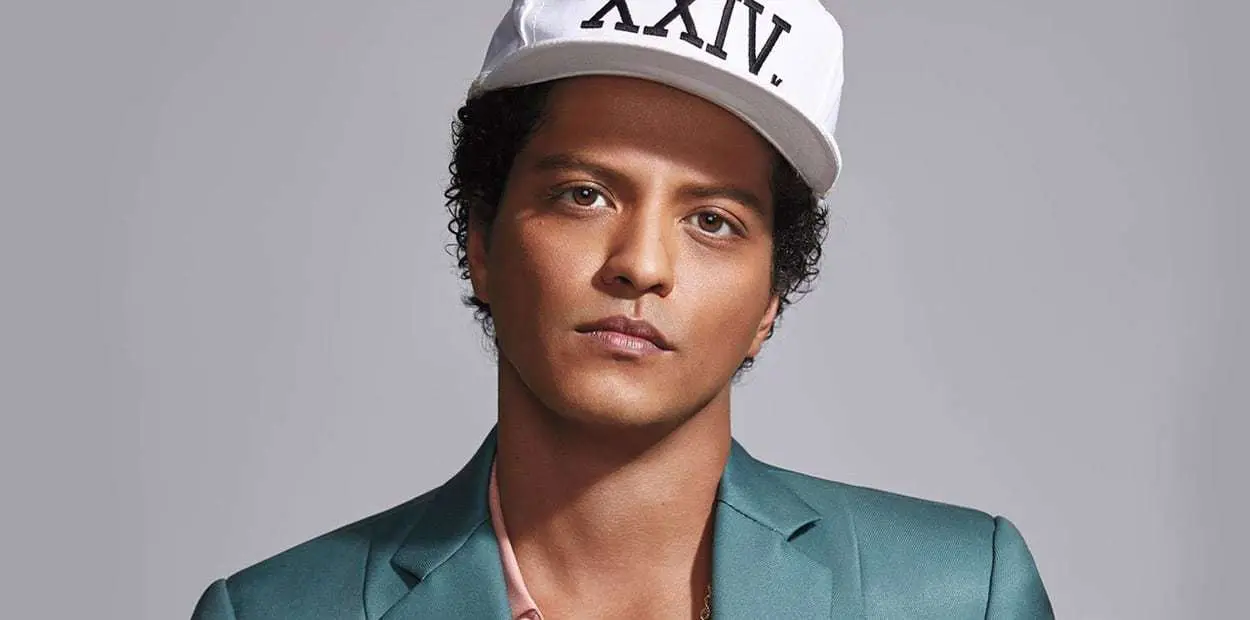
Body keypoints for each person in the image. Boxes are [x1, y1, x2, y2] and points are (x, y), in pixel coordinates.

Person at [192, 0, 1054, 618]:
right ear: (482, 242)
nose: (641, 264)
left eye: (712, 220)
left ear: (771, 298)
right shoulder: (275, 611)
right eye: (584, 194)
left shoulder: (956, 595)